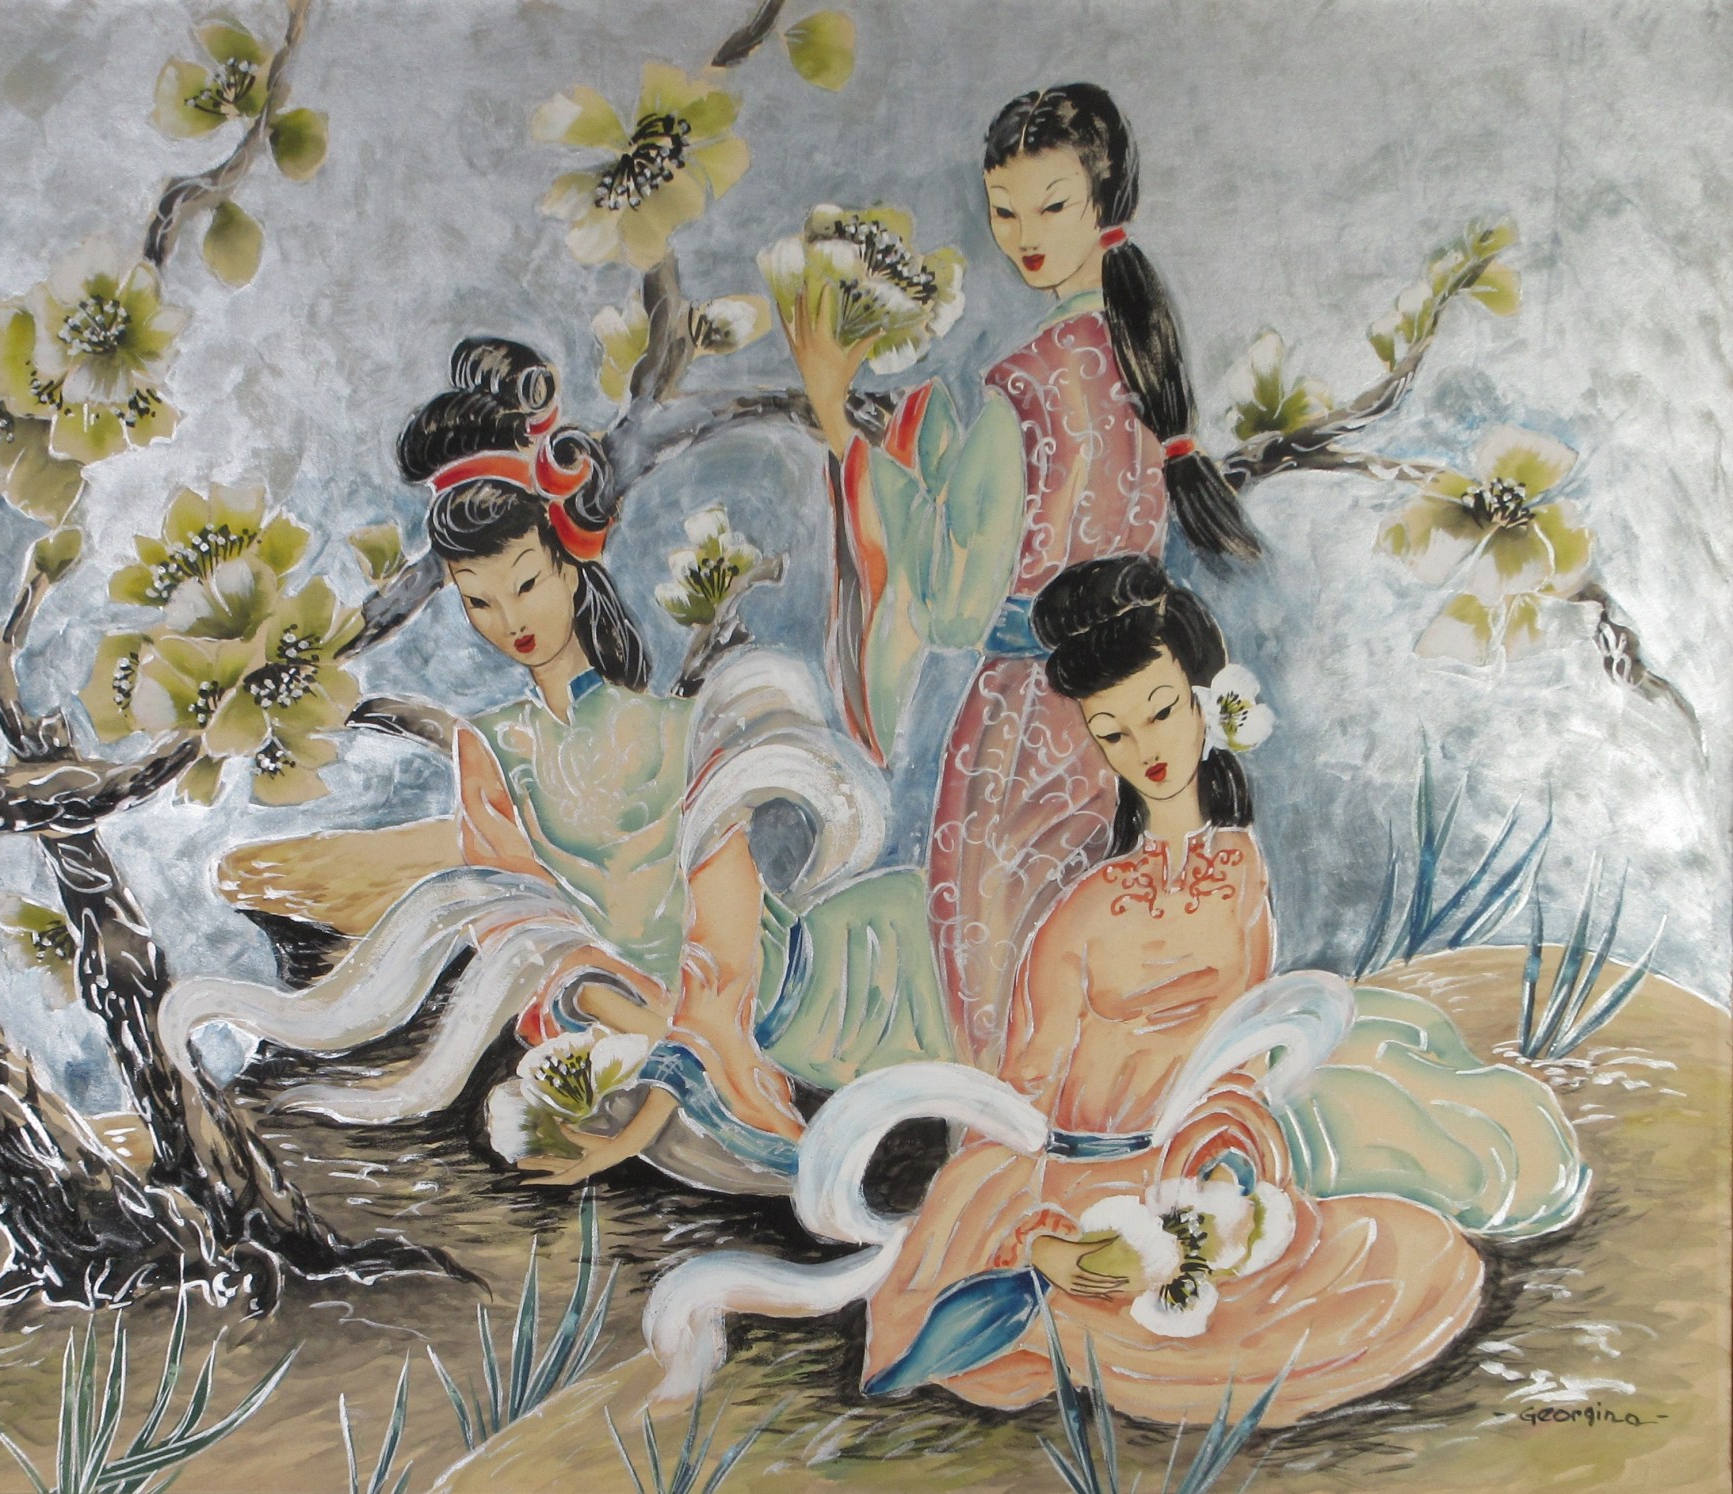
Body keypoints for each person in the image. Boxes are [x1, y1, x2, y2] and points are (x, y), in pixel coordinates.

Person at [646, 556, 1584, 1425]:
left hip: (1188, 1181)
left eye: (1162, 712)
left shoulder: (1240, 871)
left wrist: (1228, 1167)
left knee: (1410, 1259)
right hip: (1073, 1190)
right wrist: (1045, 1240)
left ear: (1205, 702)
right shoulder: (1084, 912)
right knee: (1145, 1318)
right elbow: (1020, 1111)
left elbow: (1229, 1067)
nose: (1146, 748)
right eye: (1113, 732)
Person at [174, 337, 955, 1193]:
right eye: (478, 599)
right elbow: (534, 944)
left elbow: (726, 966)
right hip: (666, 1031)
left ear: (569, 568)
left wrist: (644, 1108)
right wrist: (629, 1034)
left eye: (525, 582)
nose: (510, 619)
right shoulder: (490, 753)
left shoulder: (683, 733)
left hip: (846, 987)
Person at [783, 82, 1263, 1075]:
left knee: (1011, 984)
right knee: (1109, 978)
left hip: (1029, 723)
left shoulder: (1026, 384)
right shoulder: (1144, 364)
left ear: (1103, 203)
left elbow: (953, 602)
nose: (1025, 235)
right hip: (1133, 715)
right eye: (1005, 211)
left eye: (1051, 205)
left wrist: (840, 419)